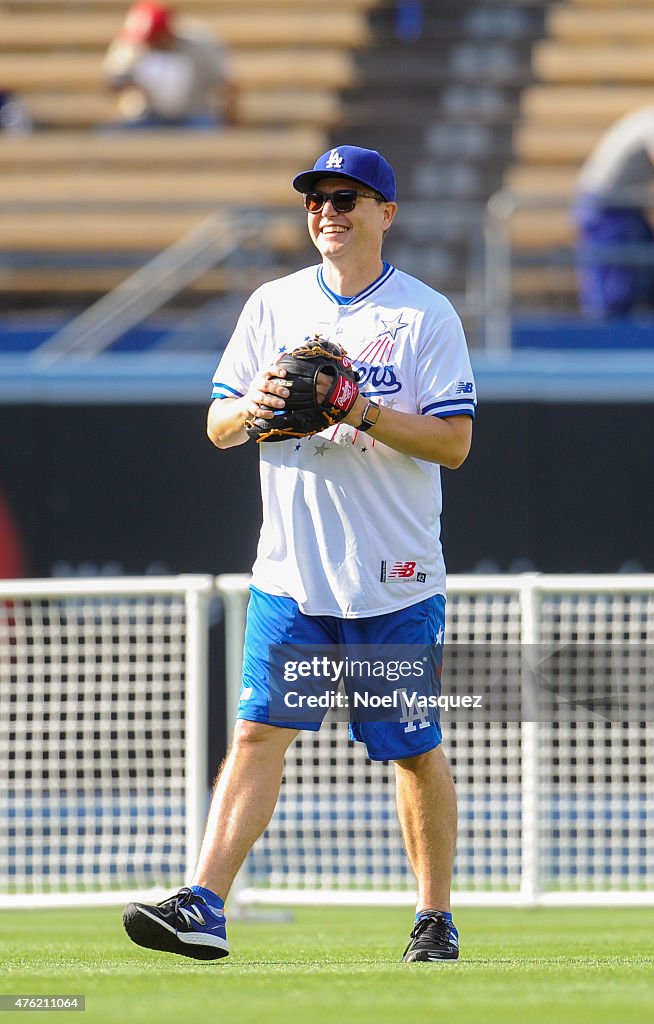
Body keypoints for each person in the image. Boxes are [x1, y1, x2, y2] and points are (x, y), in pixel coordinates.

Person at [122, 145, 477, 963]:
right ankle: (202, 903)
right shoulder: (272, 304)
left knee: (412, 749)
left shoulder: (425, 315)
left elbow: (454, 443)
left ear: (385, 213)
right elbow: (217, 426)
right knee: (256, 734)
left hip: (391, 576)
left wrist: (358, 406)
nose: (328, 211)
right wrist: (255, 407)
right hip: (290, 573)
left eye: (347, 198)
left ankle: (432, 915)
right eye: (316, 199)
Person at [573, 86, 654, 317]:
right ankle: (606, 331)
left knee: (651, 266)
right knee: (615, 279)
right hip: (605, 206)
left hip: (626, 206)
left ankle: (652, 322)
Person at [102, 2, 237, 128]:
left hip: (194, 116)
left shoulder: (199, 44)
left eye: (154, 39)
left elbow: (226, 84)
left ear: (166, 34)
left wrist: (229, 119)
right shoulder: (131, 46)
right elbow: (111, 85)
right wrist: (132, 85)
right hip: (147, 116)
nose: (150, 45)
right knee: (109, 136)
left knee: (210, 132)